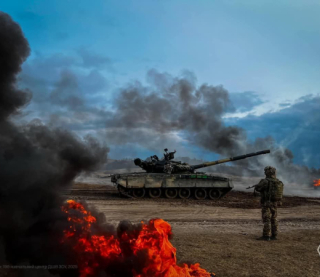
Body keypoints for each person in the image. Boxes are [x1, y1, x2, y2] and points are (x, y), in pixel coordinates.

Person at [254, 166, 284, 241]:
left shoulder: (265, 181)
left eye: (265, 171)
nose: (265, 172)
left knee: (266, 218)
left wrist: (257, 186)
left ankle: (266, 235)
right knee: (274, 218)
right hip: (275, 203)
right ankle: (274, 235)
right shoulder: (278, 181)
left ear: (268, 172)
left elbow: (258, 189)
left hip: (267, 202)